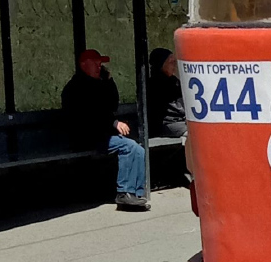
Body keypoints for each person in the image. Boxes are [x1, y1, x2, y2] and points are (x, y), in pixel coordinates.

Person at [62, 50, 148, 210]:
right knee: (129, 147)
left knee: (139, 149)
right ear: (83, 65)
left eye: (100, 63)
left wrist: (109, 81)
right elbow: (89, 116)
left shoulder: (99, 83)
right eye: (95, 62)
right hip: (85, 136)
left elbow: (112, 105)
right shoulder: (75, 88)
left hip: (101, 134)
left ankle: (136, 193)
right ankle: (124, 193)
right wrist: (114, 123)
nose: (99, 66)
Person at [146, 48, 186, 138]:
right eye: (171, 62)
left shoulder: (174, 81)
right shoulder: (154, 84)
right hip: (166, 124)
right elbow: (172, 110)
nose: (174, 65)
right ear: (161, 64)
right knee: (195, 133)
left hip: (180, 121)